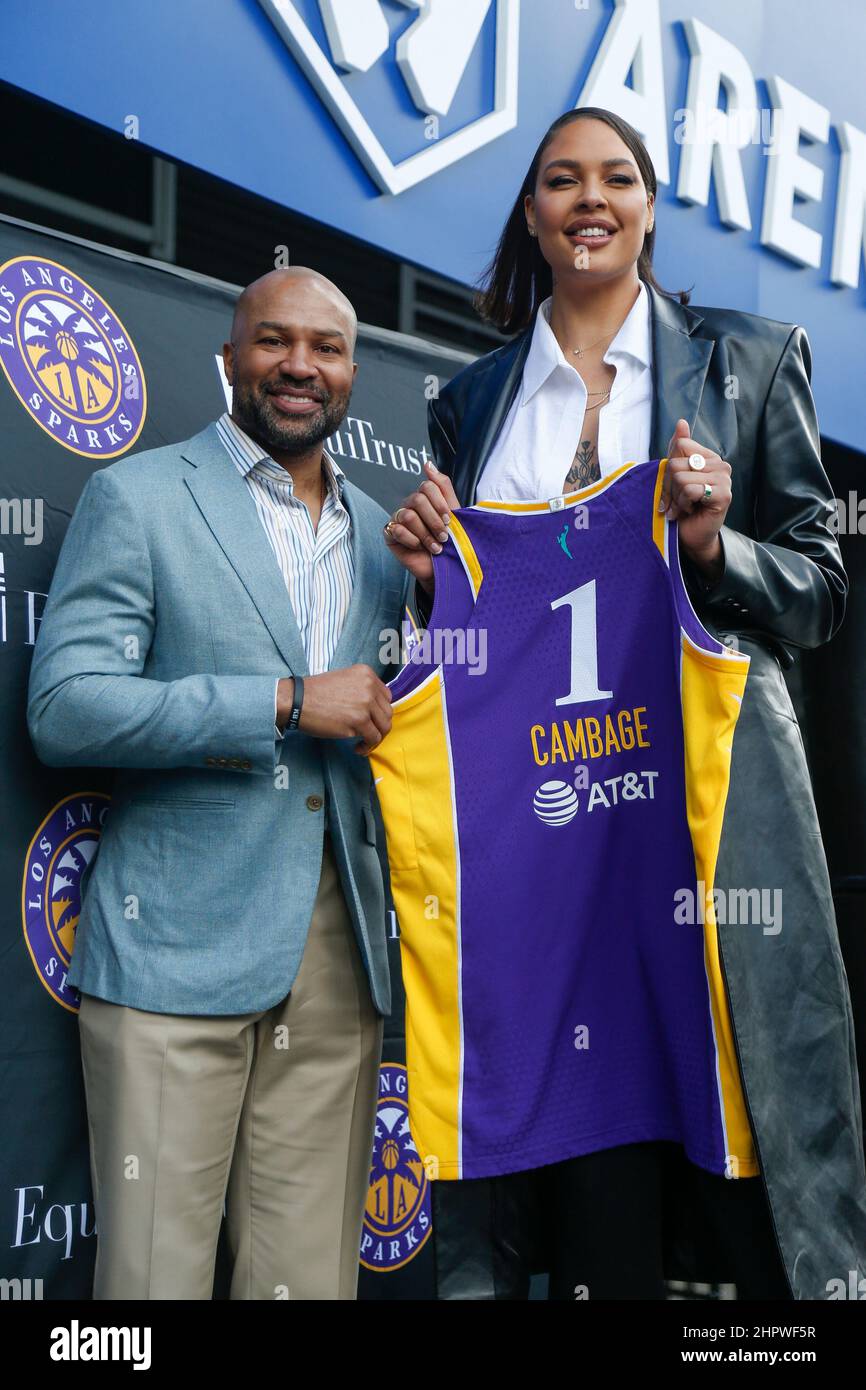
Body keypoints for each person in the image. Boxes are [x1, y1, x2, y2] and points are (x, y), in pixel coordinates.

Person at [381, 107, 866, 1300]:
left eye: (613, 178)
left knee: (752, 1174)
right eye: (558, 181)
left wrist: (716, 548)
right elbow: (469, 628)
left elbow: (817, 594)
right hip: (547, 844)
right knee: (598, 1197)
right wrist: (429, 581)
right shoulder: (475, 398)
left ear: (648, 205)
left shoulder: (748, 358)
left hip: (705, 820)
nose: (586, 199)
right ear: (532, 216)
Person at [27, 267, 410, 1300]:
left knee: (306, 1284)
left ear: (351, 372)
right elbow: (65, 706)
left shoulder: (386, 540)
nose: (299, 367)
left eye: (325, 348)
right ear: (230, 357)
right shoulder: (139, 496)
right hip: (173, 952)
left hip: (337, 958)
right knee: (152, 1282)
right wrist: (280, 700)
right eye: (273, 342)